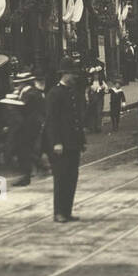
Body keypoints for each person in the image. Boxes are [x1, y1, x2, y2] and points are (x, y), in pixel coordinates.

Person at [45, 59, 86, 221]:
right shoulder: (54, 94)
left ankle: (67, 210)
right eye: (71, 73)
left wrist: (81, 141)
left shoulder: (73, 92)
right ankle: (59, 212)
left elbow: (77, 120)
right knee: (61, 177)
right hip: (61, 144)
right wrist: (56, 142)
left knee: (72, 177)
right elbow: (52, 120)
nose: (74, 76)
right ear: (64, 74)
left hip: (73, 142)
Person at [7, 72, 44, 186]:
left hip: (28, 126)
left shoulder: (30, 94)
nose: (17, 86)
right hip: (27, 125)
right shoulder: (29, 92)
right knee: (26, 150)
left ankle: (27, 175)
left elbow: (25, 109)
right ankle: (38, 166)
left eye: (19, 83)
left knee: (24, 150)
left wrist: (13, 106)